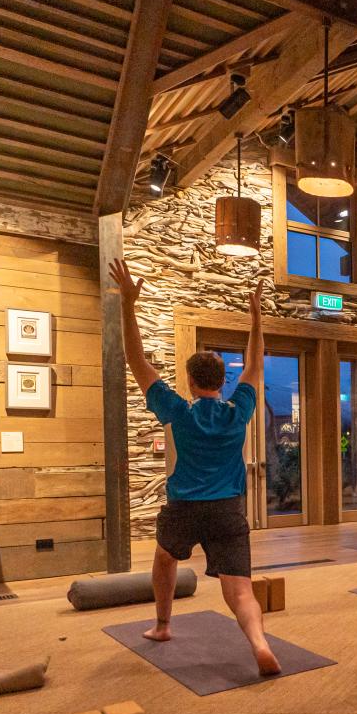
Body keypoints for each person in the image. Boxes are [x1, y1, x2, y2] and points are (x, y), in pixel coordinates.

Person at [109, 258, 281, 675]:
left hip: (184, 508)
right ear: (223, 382)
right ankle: (258, 642)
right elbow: (256, 365)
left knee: (165, 558)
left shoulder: (179, 412)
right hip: (228, 510)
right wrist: (257, 318)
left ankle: (163, 625)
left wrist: (129, 305)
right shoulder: (237, 411)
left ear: (189, 381)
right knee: (239, 589)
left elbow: (136, 360)